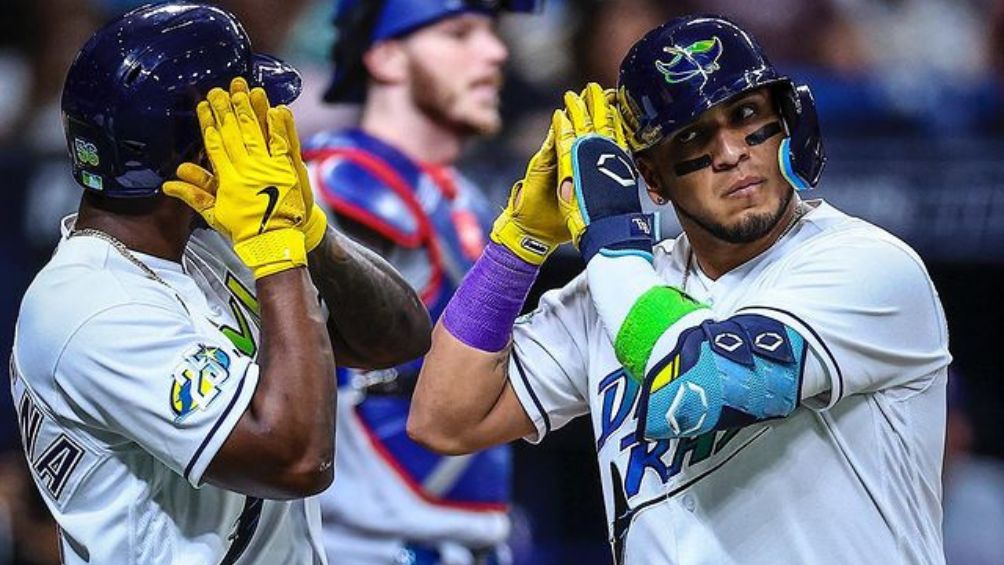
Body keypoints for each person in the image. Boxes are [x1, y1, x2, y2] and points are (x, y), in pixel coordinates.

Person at [409, 14, 952, 565]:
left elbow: (704, 386)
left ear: (788, 124)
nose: (731, 152)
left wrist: (612, 235)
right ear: (652, 178)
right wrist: (517, 245)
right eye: (692, 135)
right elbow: (443, 419)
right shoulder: (625, 286)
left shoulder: (865, 265)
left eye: (746, 116)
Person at [10, 4, 429, 564]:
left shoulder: (211, 246)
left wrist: (309, 232)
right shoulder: (89, 305)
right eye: (242, 118)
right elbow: (298, 460)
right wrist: (275, 248)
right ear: (196, 149)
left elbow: (397, 340)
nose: (263, 130)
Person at [301, 1, 539, 563]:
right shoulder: (332, 187)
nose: (495, 52)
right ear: (386, 55)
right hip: (365, 546)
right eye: (460, 33)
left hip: (467, 537)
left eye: (492, 32)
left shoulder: (467, 197)